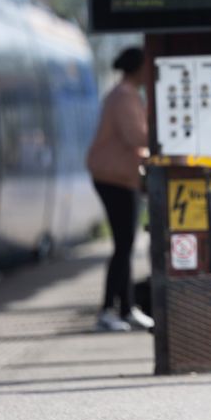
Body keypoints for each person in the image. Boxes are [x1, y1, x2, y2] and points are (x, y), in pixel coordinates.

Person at [86, 47, 155, 332]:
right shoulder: (125, 97)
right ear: (138, 69)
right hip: (114, 177)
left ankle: (126, 308)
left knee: (125, 244)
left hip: (117, 176)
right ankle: (108, 310)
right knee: (123, 244)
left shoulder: (123, 95)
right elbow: (136, 136)